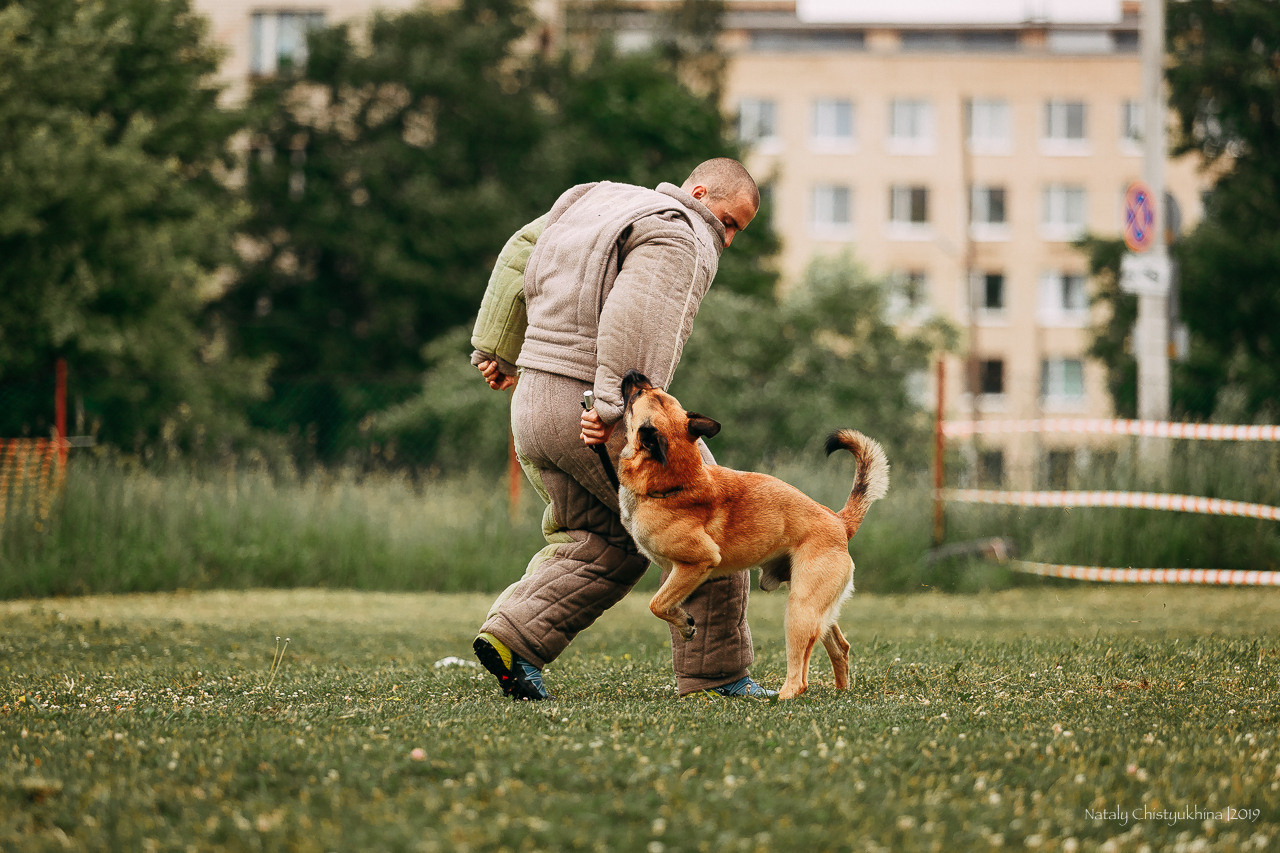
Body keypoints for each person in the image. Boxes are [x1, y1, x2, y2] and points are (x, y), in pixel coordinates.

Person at [468, 158, 774, 700]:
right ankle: (717, 675)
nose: (726, 239)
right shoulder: (681, 231)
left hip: (534, 404)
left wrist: (496, 346)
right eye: (728, 222)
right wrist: (615, 406)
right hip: (598, 410)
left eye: (735, 233)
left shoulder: (595, 198)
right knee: (712, 514)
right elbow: (640, 314)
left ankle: (514, 639)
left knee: (605, 538)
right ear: (699, 193)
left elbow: (520, 251)